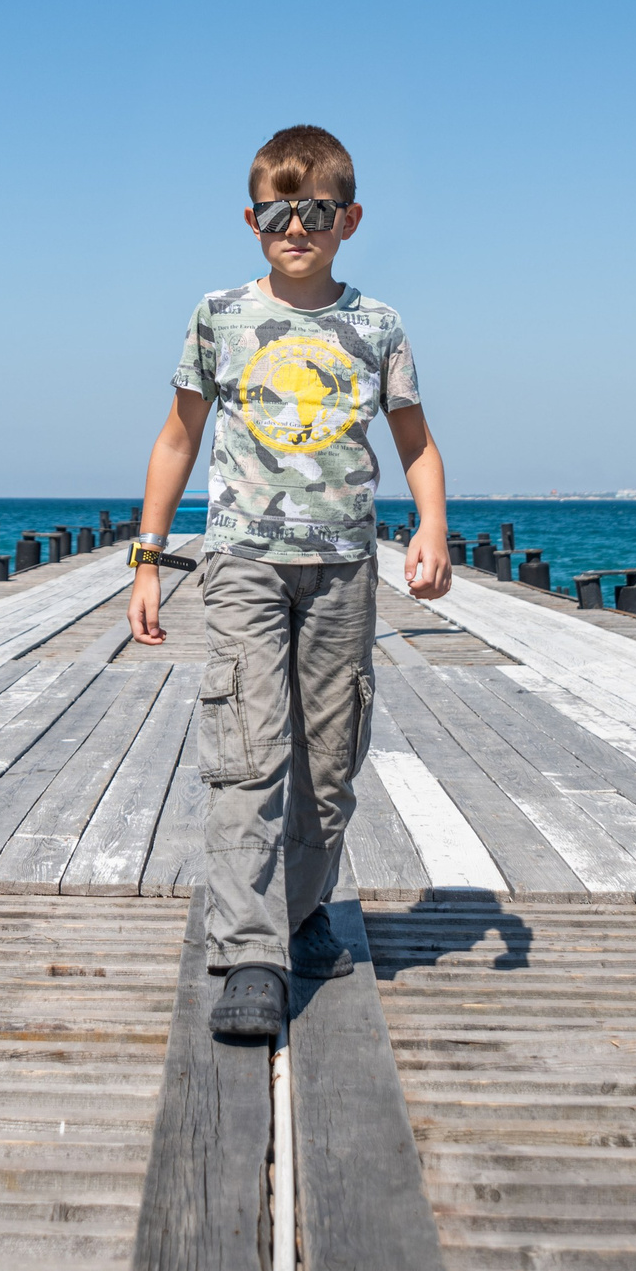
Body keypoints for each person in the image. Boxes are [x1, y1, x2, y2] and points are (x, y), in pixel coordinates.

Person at [125, 124, 452, 1037]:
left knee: (331, 757)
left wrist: (432, 527)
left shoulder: (377, 325)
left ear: (348, 219)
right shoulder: (219, 316)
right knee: (248, 750)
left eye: (315, 210)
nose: (295, 225)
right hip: (242, 562)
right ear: (252, 217)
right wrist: (148, 559)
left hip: (346, 566)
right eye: (278, 210)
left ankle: (302, 909)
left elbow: (414, 441)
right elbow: (178, 438)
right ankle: (249, 952)